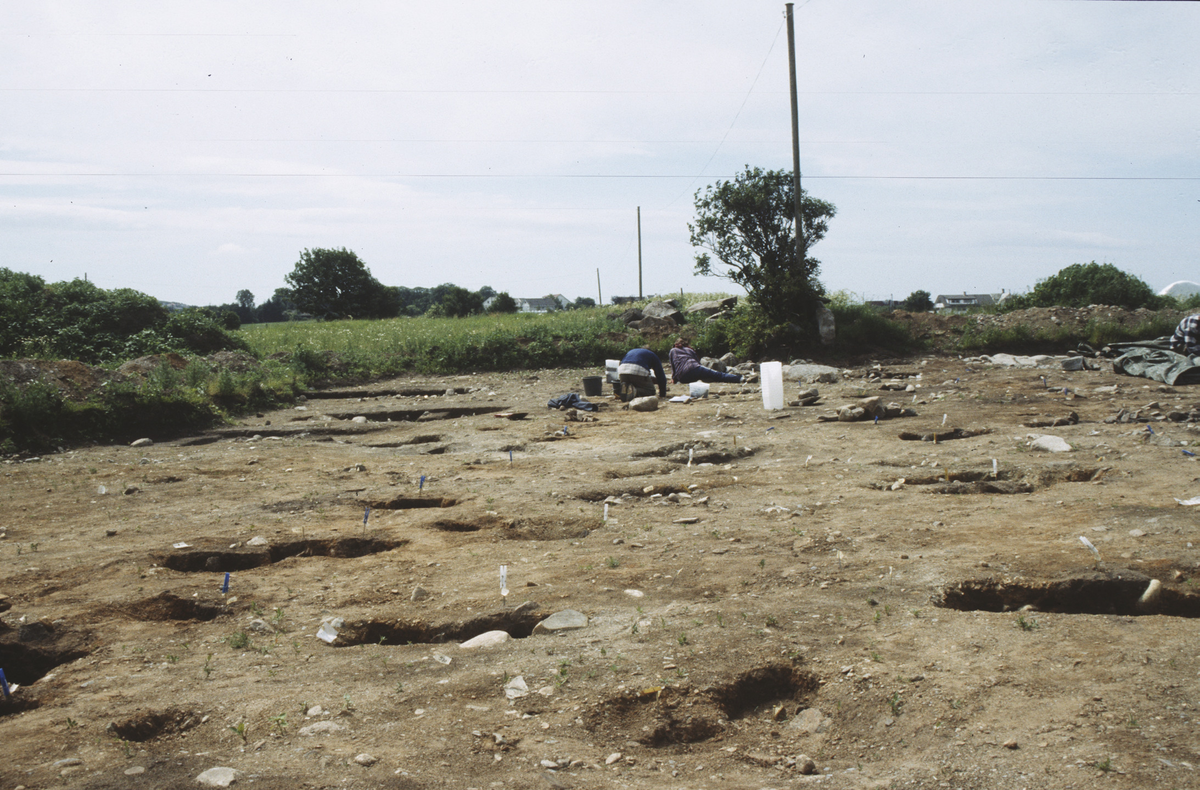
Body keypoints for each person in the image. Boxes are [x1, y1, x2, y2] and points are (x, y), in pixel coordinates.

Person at [668, 338, 743, 384]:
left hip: (683, 377)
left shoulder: (672, 350)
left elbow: (673, 367)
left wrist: (673, 379)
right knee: (718, 375)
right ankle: (739, 378)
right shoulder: (690, 350)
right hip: (694, 368)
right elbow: (698, 363)